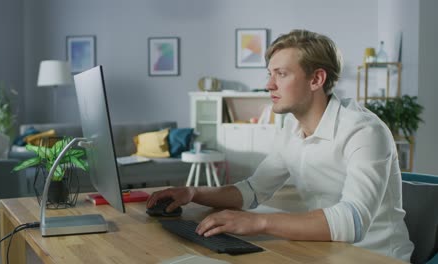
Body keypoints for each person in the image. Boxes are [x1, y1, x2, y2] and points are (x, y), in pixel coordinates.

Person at [147, 29, 414, 261]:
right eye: (270, 74)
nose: (269, 84)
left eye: (281, 74)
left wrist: (258, 222)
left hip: (376, 257)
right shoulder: (291, 129)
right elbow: (252, 190)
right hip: (328, 252)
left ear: (316, 80)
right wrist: (194, 193)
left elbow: (353, 221)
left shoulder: (364, 131)